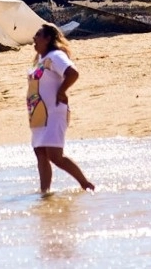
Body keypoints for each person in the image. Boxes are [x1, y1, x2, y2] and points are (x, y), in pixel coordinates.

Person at [27, 23, 95, 194]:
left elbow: (73, 73)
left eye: (38, 35)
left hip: (53, 113)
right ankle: (45, 193)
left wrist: (62, 91)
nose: (34, 38)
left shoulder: (55, 56)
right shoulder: (41, 60)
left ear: (48, 38)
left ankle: (86, 184)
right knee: (40, 153)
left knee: (55, 156)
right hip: (39, 115)